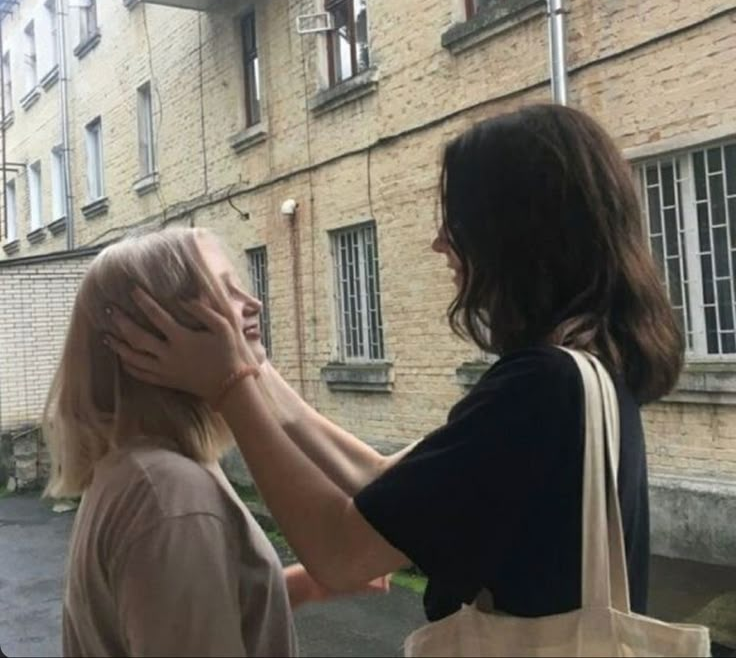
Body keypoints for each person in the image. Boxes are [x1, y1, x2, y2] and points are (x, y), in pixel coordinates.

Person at [107, 104, 682, 630]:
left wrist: (229, 384)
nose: (440, 244)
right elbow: (383, 481)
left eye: (456, 221)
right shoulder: (585, 375)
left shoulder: (543, 388)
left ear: (514, 235)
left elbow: (340, 552)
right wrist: (255, 368)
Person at [44, 228, 387, 658]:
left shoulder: (150, 467)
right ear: (160, 331)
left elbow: (181, 610)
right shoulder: (169, 493)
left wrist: (306, 584)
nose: (253, 303)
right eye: (222, 291)